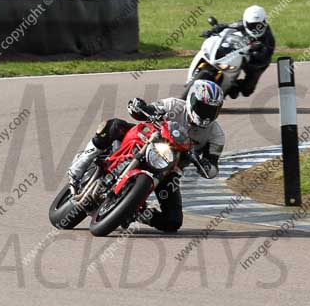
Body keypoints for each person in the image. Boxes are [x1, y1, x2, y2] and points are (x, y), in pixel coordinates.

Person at [67, 80, 226, 233]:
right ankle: (80, 165)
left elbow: (212, 166)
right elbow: (149, 109)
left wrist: (206, 165)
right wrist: (140, 107)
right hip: (146, 141)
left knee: (173, 221)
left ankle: (135, 213)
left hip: (170, 168)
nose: (207, 114)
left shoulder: (216, 135)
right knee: (114, 125)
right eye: (203, 108)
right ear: (192, 100)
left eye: (212, 110)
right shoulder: (175, 105)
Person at [202, 4, 275, 99]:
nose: (256, 28)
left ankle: (232, 86)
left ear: (264, 22)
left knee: (247, 90)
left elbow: (265, 58)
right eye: (252, 25)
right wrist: (214, 30)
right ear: (245, 22)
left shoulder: (268, 38)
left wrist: (256, 53)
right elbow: (227, 26)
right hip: (242, 53)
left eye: (259, 25)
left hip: (257, 64)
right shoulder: (241, 24)